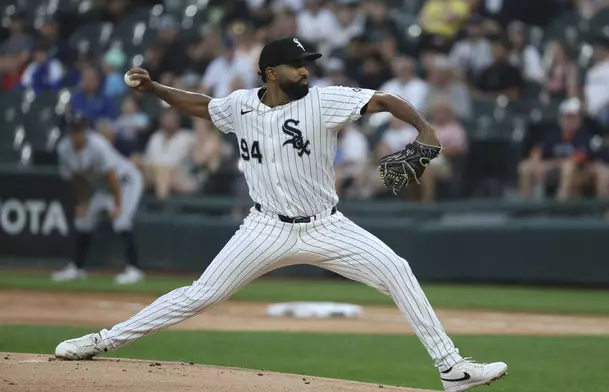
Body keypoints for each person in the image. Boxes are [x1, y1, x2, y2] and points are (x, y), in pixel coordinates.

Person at [54, 36, 507, 392]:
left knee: (397, 270)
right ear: (271, 72)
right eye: (297, 64)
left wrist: (425, 128)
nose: (306, 69)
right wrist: (154, 89)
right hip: (264, 227)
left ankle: (451, 368)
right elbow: (200, 106)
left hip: (326, 225)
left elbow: (385, 100)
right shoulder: (240, 105)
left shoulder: (323, 101)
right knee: (200, 295)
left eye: (307, 62)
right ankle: (103, 340)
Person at [51, 114, 145, 285]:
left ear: (86, 130)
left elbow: (112, 177)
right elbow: (77, 179)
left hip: (125, 181)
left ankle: (134, 269)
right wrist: (83, 202)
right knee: (83, 220)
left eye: (80, 129)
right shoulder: (64, 149)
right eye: (74, 130)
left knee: (121, 220)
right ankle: (77, 268)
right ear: (69, 131)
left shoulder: (97, 145)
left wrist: (117, 205)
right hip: (102, 186)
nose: (77, 133)